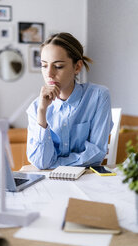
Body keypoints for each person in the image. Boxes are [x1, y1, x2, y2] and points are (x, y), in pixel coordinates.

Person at [26, 32, 113, 170]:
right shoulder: (36, 107)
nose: (49, 74)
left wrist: (54, 164)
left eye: (58, 66)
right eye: (44, 65)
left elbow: (96, 154)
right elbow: (41, 162)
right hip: (51, 182)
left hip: (86, 180)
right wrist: (42, 113)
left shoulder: (98, 96)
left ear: (77, 67)